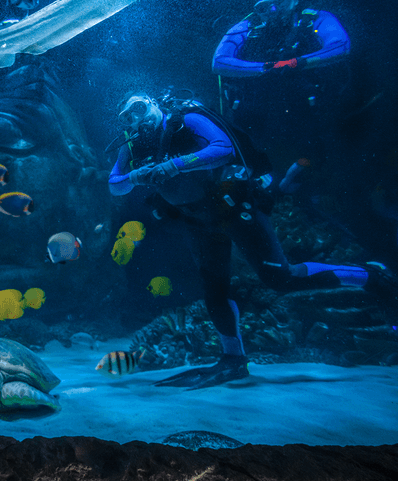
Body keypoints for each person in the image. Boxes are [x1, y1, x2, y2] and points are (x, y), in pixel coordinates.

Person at [107, 91, 395, 390]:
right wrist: (136, 176)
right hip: (196, 220)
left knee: (280, 277)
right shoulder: (133, 144)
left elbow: (223, 147)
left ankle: (370, 276)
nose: (136, 119)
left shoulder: (185, 119)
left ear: (154, 104)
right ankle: (233, 360)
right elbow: (114, 185)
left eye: (139, 108)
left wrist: (175, 165)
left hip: (233, 206)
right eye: (127, 117)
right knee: (214, 289)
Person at [211, 0, 351, 169]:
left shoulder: (316, 18)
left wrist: (296, 62)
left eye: (280, 2)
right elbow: (219, 61)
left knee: (316, 156)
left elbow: (341, 45)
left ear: (295, 0)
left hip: (307, 108)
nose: (273, 10)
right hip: (257, 112)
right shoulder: (246, 27)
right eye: (263, 7)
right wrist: (266, 67)